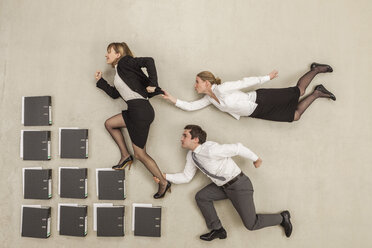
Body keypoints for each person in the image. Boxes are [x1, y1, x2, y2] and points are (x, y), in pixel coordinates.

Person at [154, 125, 292, 241]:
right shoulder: (192, 155)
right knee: (201, 196)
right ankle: (218, 229)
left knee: (251, 224)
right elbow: (186, 176)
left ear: (195, 139)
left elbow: (238, 148)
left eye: (185, 136)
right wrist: (163, 176)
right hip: (223, 187)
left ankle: (282, 217)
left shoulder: (211, 150)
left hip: (239, 186)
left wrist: (256, 159)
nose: (181, 139)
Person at [94, 42, 171, 199]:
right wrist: (101, 81)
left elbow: (149, 60)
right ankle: (125, 156)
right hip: (134, 110)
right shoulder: (120, 72)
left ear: (118, 54)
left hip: (141, 111)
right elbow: (116, 94)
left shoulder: (126, 61)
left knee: (140, 154)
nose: (106, 55)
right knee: (110, 124)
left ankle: (163, 182)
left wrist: (153, 84)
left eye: (109, 51)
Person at [162, 63, 335, 122]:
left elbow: (244, 82)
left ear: (207, 82)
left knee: (298, 91)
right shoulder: (210, 99)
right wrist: (171, 99)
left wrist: (266, 77)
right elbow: (191, 106)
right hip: (256, 112)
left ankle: (316, 69)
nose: (195, 85)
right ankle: (317, 93)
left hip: (261, 99)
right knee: (294, 116)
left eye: (197, 82)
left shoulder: (221, 89)